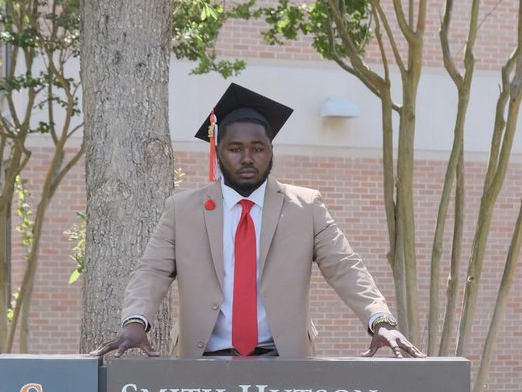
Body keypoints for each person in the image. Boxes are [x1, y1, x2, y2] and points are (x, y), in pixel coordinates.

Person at [91, 83, 423, 360]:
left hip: (283, 359)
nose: (247, 158)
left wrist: (379, 318)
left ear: (271, 150)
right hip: (203, 361)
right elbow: (151, 271)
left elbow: (346, 266)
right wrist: (136, 319)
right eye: (235, 148)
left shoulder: (306, 207)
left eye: (258, 148)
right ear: (218, 151)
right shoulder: (183, 210)